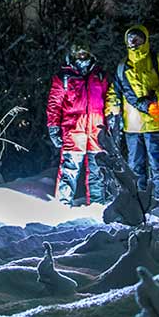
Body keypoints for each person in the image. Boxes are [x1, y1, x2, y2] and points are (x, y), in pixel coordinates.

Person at [105, 24, 159, 202]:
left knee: (158, 166)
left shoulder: (156, 60)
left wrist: (156, 95)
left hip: (155, 123)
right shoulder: (123, 67)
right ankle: (139, 204)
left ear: (145, 40)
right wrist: (111, 109)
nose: (134, 43)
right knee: (135, 168)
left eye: (137, 39)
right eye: (131, 40)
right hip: (133, 127)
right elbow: (115, 91)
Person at [45, 42, 109, 205]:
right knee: (69, 171)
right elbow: (54, 104)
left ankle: (98, 206)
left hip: (96, 131)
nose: (81, 55)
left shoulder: (99, 75)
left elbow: (109, 100)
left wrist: (112, 125)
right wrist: (53, 127)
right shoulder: (64, 77)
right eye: (78, 52)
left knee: (98, 171)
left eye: (84, 52)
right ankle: (62, 205)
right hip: (73, 131)